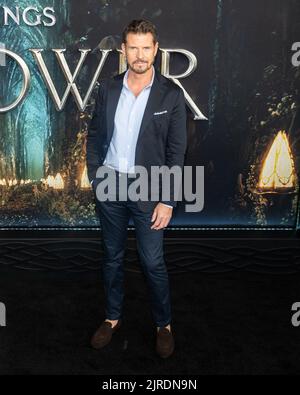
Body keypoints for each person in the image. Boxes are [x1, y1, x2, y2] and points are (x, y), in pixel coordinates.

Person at [86, 19, 187, 358]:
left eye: (146, 48)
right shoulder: (109, 88)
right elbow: (95, 137)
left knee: (152, 262)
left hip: (150, 189)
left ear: (156, 50)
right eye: (133, 47)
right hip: (111, 183)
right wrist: (96, 176)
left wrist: (167, 200)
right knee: (112, 259)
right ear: (124, 50)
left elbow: (176, 153)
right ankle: (112, 318)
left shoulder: (171, 94)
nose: (140, 55)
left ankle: (164, 324)